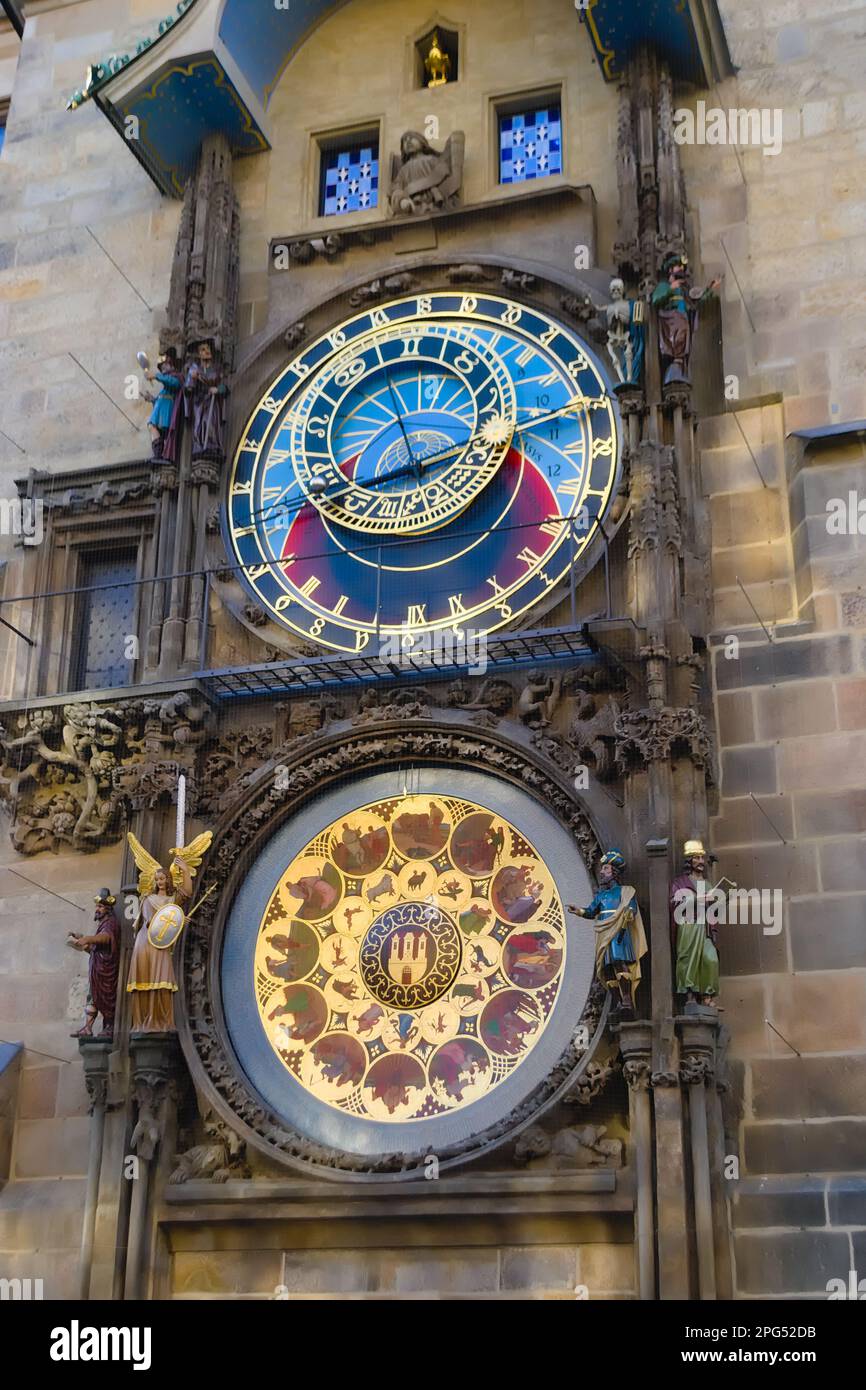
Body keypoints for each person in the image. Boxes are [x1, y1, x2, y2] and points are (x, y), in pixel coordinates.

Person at [126, 831, 212, 1032]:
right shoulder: (147, 899)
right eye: (157, 878)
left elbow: (187, 893)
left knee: (163, 980)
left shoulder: (172, 901)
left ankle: (162, 1021)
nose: (160, 881)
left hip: (160, 944)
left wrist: (183, 868)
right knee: (144, 981)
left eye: (163, 878)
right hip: (145, 941)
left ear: (168, 879)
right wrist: (177, 921)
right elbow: (151, 923)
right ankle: (142, 1022)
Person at [567, 849, 648, 1016]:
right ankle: (618, 1001)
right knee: (607, 968)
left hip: (619, 930)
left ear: (614, 872)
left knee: (620, 962)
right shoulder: (601, 896)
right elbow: (591, 911)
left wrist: (629, 913)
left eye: (605, 869)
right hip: (604, 933)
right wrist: (579, 911)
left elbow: (631, 908)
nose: (602, 872)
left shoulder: (625, 892)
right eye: (602, 869)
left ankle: (627, 999)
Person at [651, 253, 720, 385]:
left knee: (683, 336)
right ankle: (674, 366)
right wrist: (671, 289)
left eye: (682, 267)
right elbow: (656, 300)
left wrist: (710, 288)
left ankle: (679, 365)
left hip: (683, 319)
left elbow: (696, 300)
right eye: (678, 266)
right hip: (671, 320)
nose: (681, 269)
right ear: (670, 269)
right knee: (677, 337)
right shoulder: (664, 287)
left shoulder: (684, 290)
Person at [670, 838, 723, 1006]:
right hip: (688, 925)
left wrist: (719, 901)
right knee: (688, 959)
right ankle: (690, 995)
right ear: (689, 861)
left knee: (711, 958)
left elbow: (713, 909)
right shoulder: (680, 883)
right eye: (696, 858)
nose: (701, 861)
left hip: (705, 926)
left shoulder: (707, 884)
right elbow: (675, 902)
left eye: (702, 858)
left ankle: (707, 996)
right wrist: (699, 898)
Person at [67, 887, 121, 1037]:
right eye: (97, 906)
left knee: (106, 999)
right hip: (97, 970)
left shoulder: (111, 923)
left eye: (100, 906)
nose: (97, 909)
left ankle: (110, 1026)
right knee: (93, 999)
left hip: (106, 971)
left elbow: (106, 938)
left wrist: (89, 938)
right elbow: (95, 948)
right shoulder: (102, 925)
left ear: (107, 909)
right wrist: (81, 942)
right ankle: (87, 1027)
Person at [143, 348, 182, 460]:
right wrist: (152, 399)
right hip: (160, 409)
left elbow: (174, 383)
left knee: (162, 430)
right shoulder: (165, 385)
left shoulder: (176, 377)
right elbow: (161, 398)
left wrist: (156, 376)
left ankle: (162, 454)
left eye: (164, 366)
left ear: (171, 365)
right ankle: (158, 454)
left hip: (167, 410)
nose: (163, 369)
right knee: (152, 426)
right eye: (161, 368)